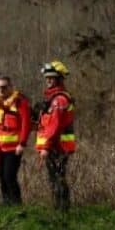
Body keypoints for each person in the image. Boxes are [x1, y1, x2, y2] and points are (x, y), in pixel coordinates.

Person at [0, 75, 30, 205]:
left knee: (9, 176)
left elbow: (26, 123)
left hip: (13, 148)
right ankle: (6, 204)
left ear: (10, 87)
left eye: (4, 87)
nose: (0, 90)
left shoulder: (20, 102)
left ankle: (17, 205)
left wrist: (22, 143)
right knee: (1, 177)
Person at [35, 60, 76, 211]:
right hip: (55, 145)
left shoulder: (59, 99)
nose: (48, 81)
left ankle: (62, 210)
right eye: (47, 78)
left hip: (58, 146)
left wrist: (46, 146)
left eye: (51, 78)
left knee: (57, 179)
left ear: (59, 79)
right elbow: (46, 124)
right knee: (54, 178)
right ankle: (59, 209)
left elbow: (55, 126)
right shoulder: (52, 98)